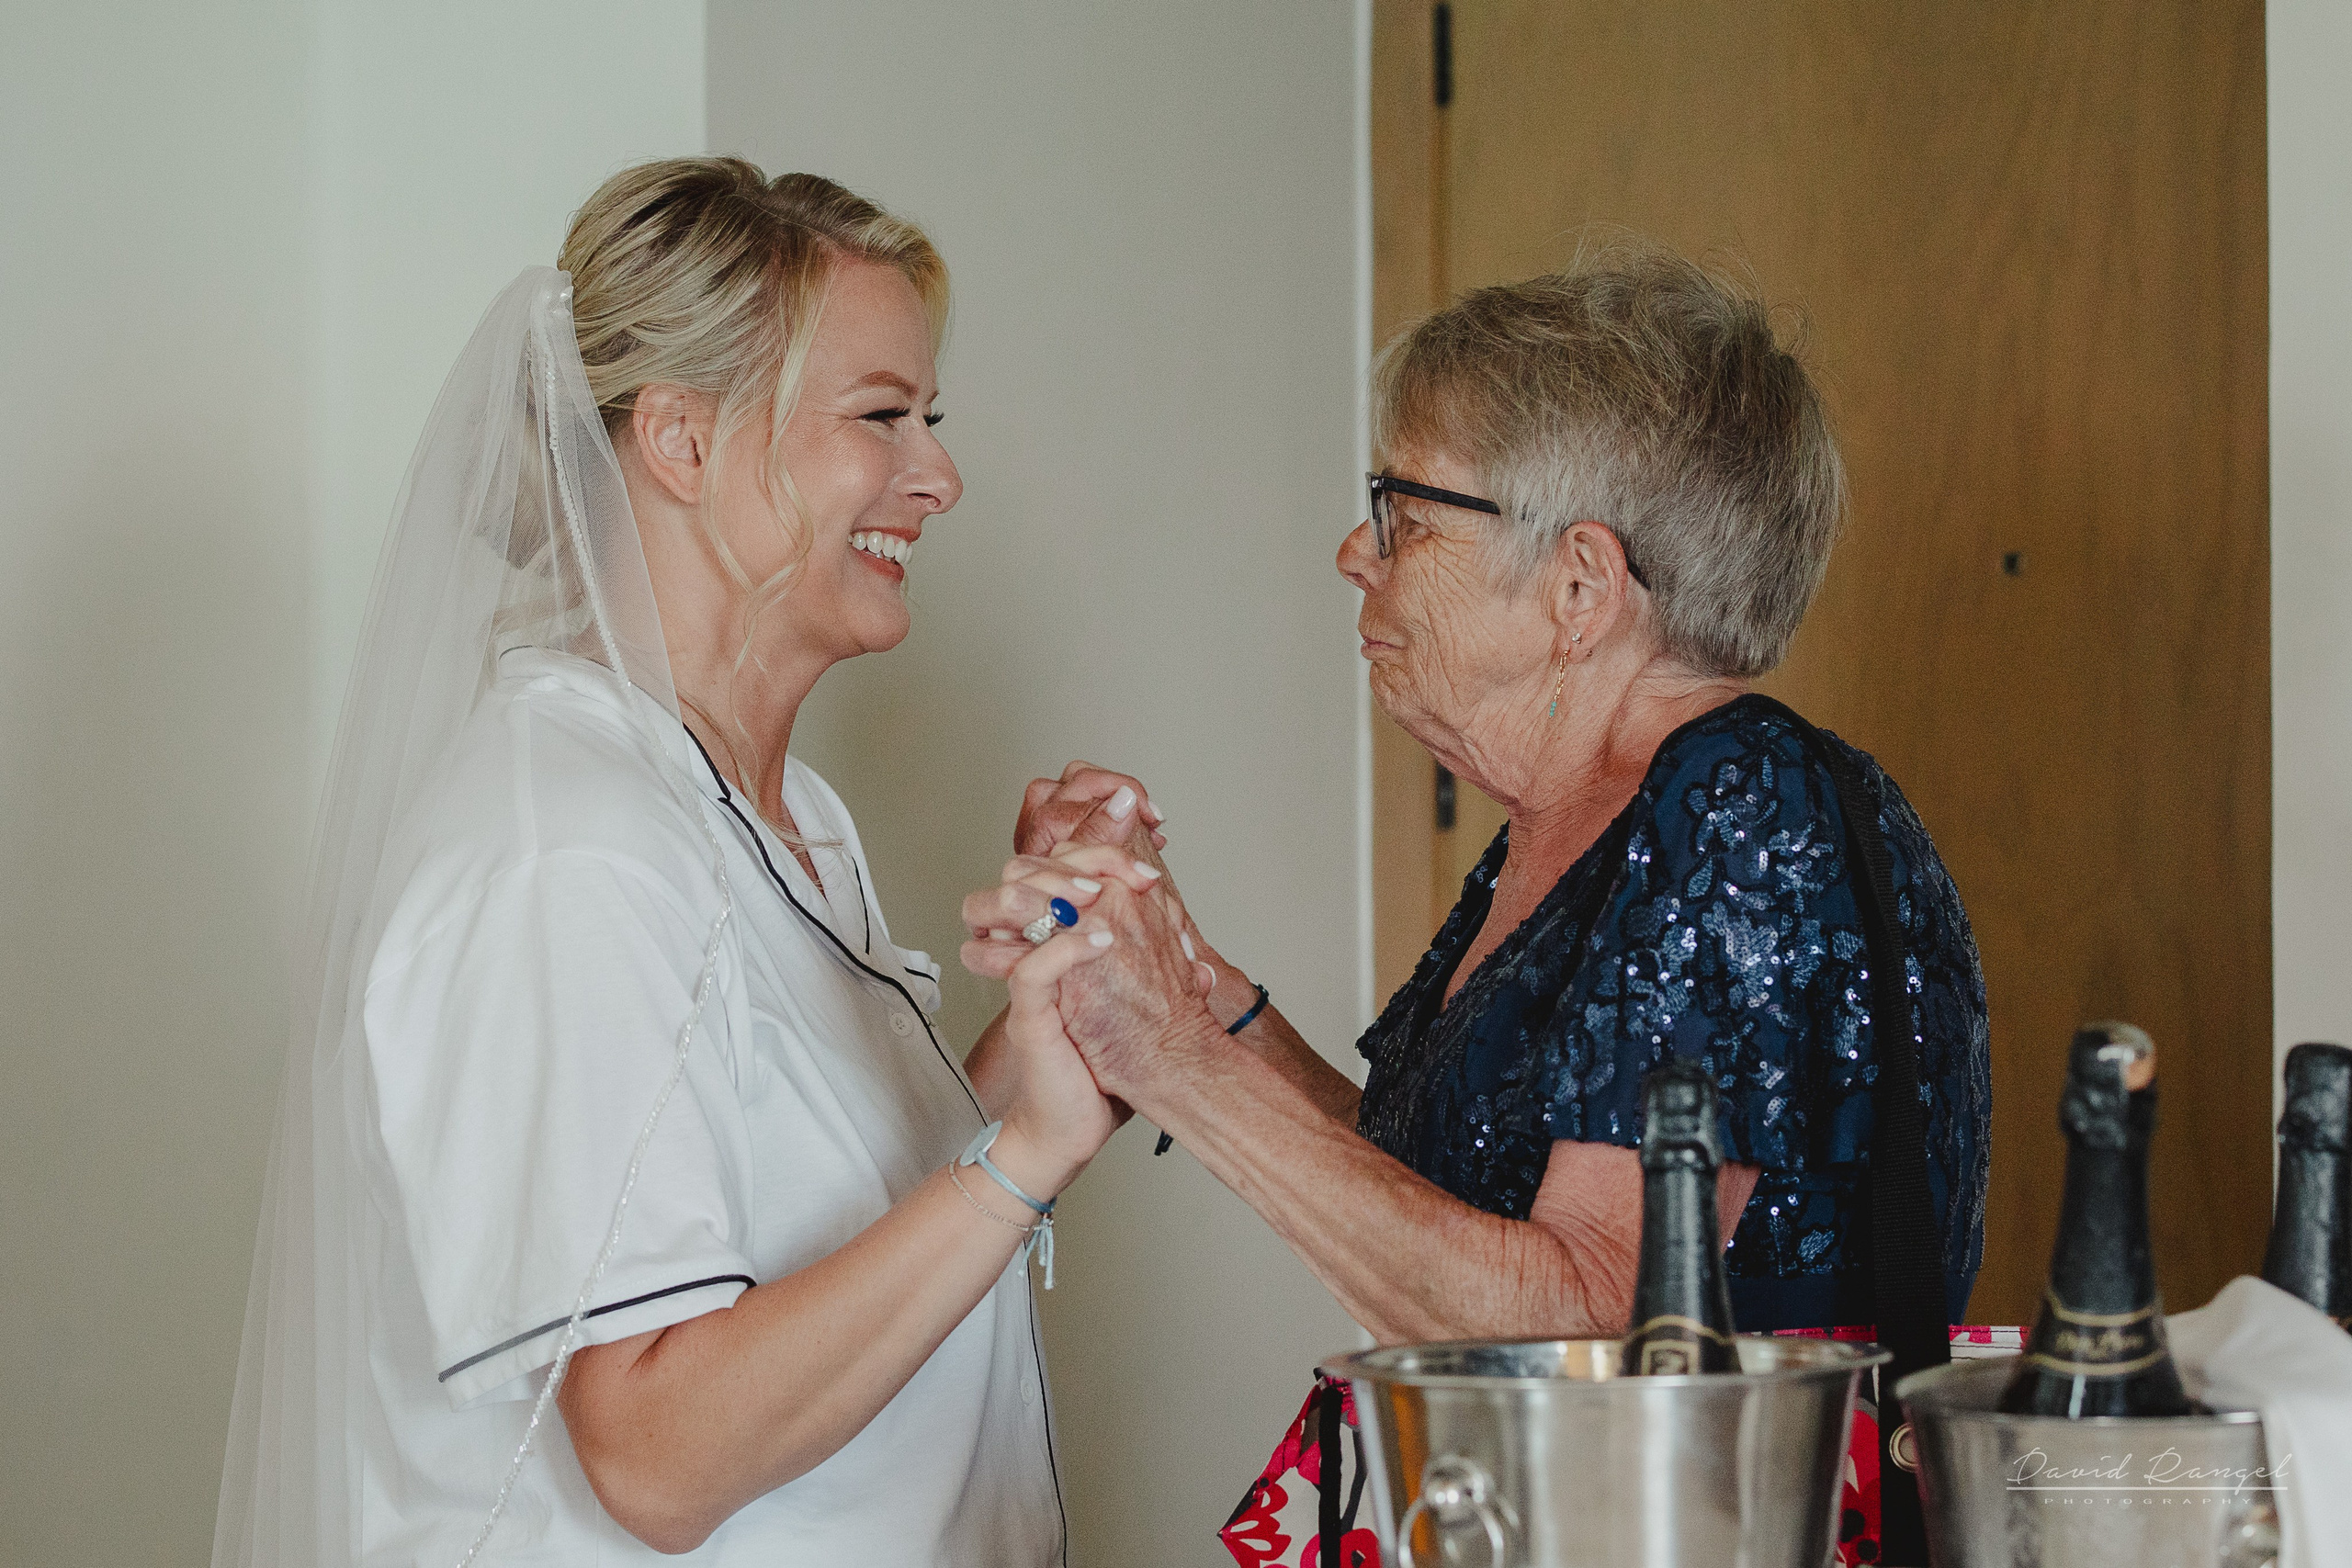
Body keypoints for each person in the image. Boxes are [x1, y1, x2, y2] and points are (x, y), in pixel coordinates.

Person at [212, 157, 1148, 1567]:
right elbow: (654, 1450)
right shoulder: (563, 847)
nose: (940, 475)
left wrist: (1054, 1026)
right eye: (883, 416)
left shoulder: (792, 818)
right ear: (683, 441)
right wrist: (1023, 1156)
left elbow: (845, 1237)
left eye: (930, 419)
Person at [970, 244, 1991, 1342]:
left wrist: (1168, 1054)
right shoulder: (1602, 816)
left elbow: (1593, 1331)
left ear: (1579, 587)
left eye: (1400, 512)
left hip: (1700, 1515)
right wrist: (1184, 983)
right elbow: (1446, 1204)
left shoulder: (1745, 810)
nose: (1355, 553)